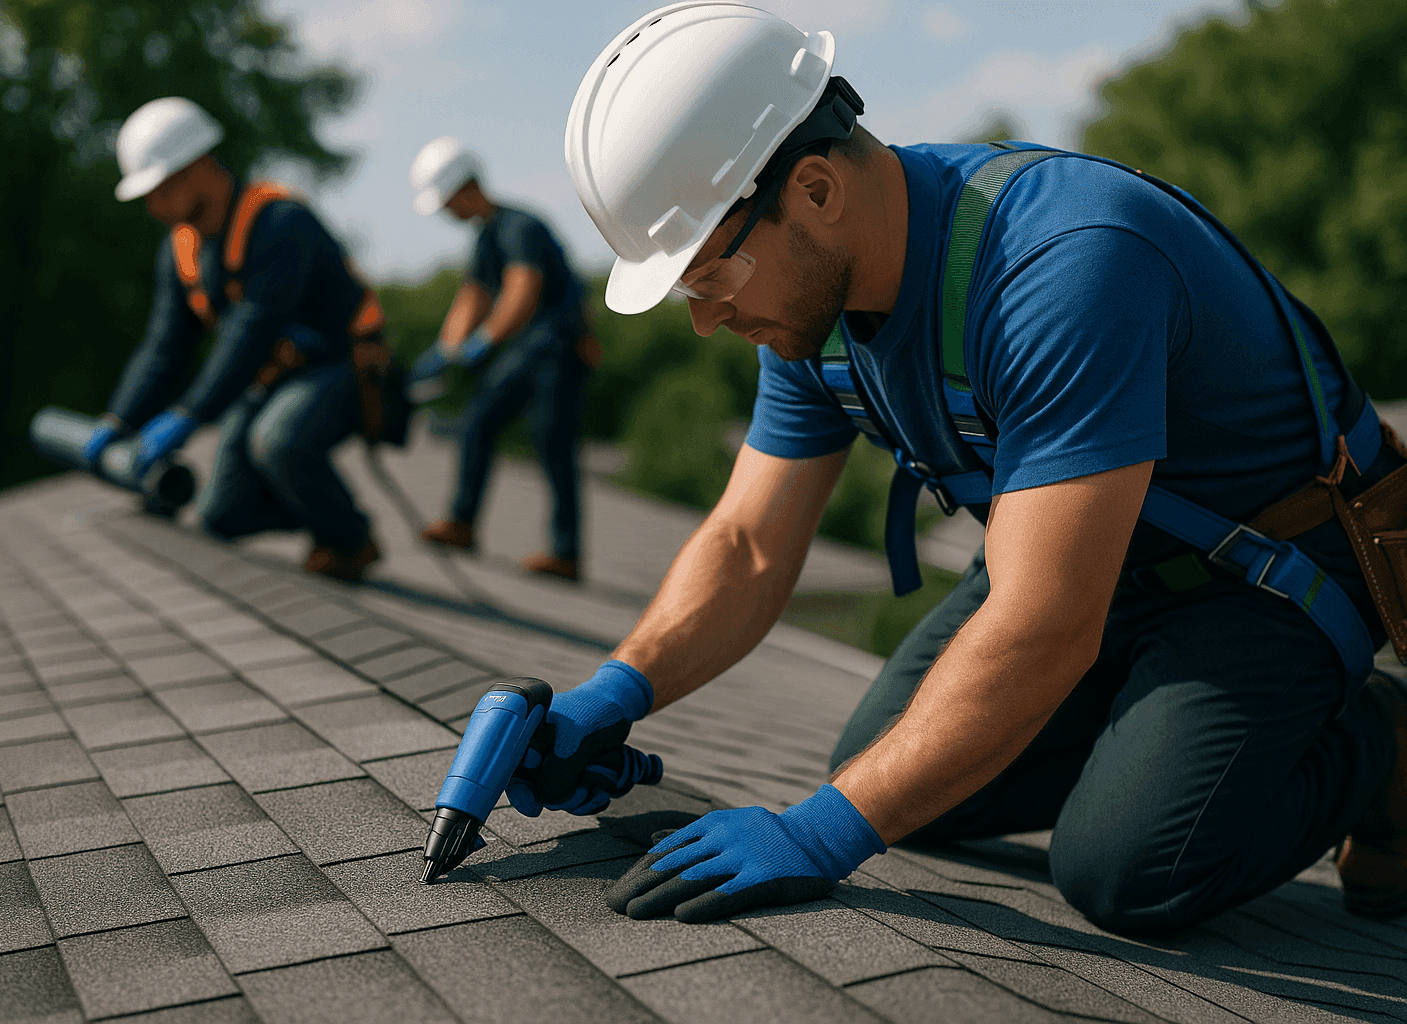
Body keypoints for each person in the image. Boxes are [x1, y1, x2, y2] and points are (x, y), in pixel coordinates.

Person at [501, 4, 1407, 936]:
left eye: (709, 277)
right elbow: (748, 543)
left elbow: (1043, 623)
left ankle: (1380, 736)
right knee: (896, 769)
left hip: (1261, 579)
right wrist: (612, 694)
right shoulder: (812, 308)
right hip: (1091, 562)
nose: (704, 319)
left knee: (1126, 871)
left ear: (815, 189)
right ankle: (1159, 740)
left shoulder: (1065, 266)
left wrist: (818, 836)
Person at [89, 96, 399, 583]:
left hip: (341, 370)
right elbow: (165, 346)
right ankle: (313, 509)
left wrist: (189, 415)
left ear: (198, 167)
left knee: (276, 440)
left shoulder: (280, 223)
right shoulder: (181, 251)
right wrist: (119, 418)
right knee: (221, 516)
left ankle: (349, 538)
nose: (153, 206)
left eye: (161, 190)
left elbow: (252, 331)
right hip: (273, 380)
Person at [409, 137, 593, 582]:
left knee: (552, 444)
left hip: (558, 350)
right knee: (478, 423)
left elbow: (521, 292)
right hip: (528, 350)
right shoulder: (486, 236)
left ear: (465, 188)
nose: (447, 212)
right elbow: (473, 294)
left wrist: (483, 341)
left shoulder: (519, 227)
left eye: (447, 202)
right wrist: (446, 347)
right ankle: (461, 523)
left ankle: (565, 553)